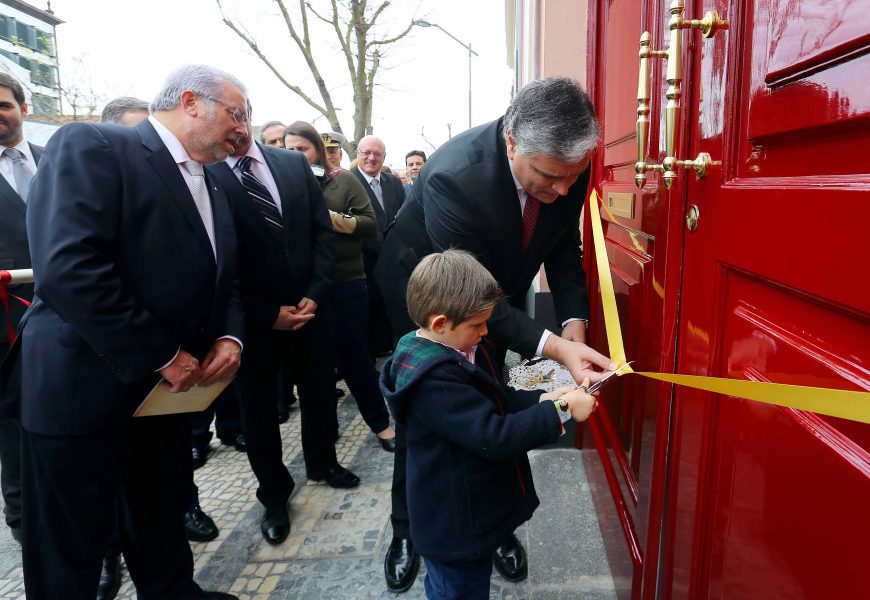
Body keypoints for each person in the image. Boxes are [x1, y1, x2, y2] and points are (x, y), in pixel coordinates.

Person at [5, 64, 247, 600]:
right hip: (82, 392)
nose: (244, 130)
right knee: (71, 546)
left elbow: (226, 277)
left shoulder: (214, 181)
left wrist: (230, 338)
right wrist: (162, 353)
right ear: (191, 102)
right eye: (237, 114)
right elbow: (69, 268)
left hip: (163, 399)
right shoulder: (93, 144)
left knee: (159, 515)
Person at [375, 76, 616, 592]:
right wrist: (553, 347)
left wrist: (573, 325)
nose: (563, 190)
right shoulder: (452, 177)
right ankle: (408, 530)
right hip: (434, 296)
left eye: (573, 178)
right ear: (512, 142)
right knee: (432, 423)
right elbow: (475, 299)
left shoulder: (567, 164)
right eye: (550, 177)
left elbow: (561, 249)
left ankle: (496, 523)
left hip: (489, 301)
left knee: (493, 396)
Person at [381, 250, 598, 599]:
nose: (486, 331)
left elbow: (496, 401)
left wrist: (544, 398)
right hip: (453, 528)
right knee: (458, 590)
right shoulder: (434, 382)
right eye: (478, 324)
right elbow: (494, 435)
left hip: (466, 511)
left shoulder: (458, 346)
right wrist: (560, 410)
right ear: (439, 323)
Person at [206, 109, 360, 548]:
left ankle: (323, 463)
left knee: (317, 392)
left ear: (248, 116)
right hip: (254, 322)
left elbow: (321, 234)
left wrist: (317, 291)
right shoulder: (207, 173)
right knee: (258, 412)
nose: (233, 125)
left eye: (239, 114)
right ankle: (274, 494)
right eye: (225, 115)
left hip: (311, 311)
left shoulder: (292, 166)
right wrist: (264, 312)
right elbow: (219, 260)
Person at [283, 121, 396, 452]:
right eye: (289, 150)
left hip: (345, 283)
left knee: (355, 360)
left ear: (317, 148)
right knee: (316, 369)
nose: (296, 156)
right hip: (304, 292)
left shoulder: (342, 179)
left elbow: (369, 224)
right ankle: (324, 435)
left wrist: (331, 218)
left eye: (302, 149)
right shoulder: (284, 183)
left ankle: (381, 423)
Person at [0, 72, 41, 548]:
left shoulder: (58, 164)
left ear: (23, 109)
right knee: (15, 437)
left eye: (5, 104)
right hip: (6, 332)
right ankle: (27, 529)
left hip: (72, 322)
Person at [351, 135, 406, 359]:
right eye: (366, 152)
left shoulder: (393, 183)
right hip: (363, 262)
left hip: (392, 259)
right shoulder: (348, 180)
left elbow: (403, 216)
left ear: (384, 157)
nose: (371, 158)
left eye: (377, 154)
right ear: (358, 154)